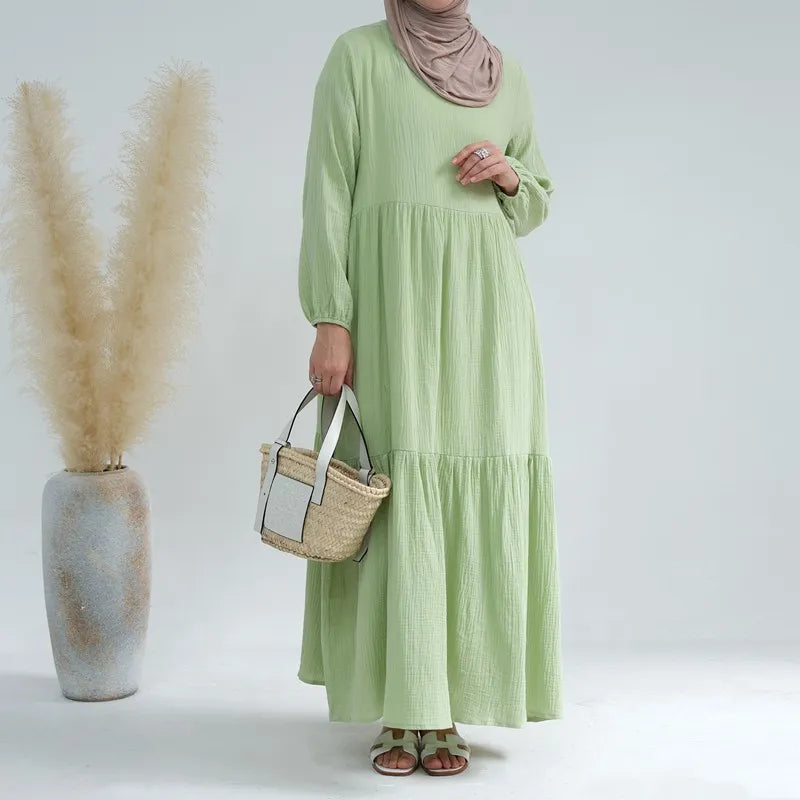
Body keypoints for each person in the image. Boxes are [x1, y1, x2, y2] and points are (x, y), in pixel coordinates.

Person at [296, 0, 562, 777]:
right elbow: (327, 188)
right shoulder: (358, 57)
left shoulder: (507, 75)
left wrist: (509, 175)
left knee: (472, 478)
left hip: (486, 315)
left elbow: (535, 200)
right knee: (396, 486)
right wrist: (331, 316)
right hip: (391, 309)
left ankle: (446, 708)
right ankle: (403, 706)